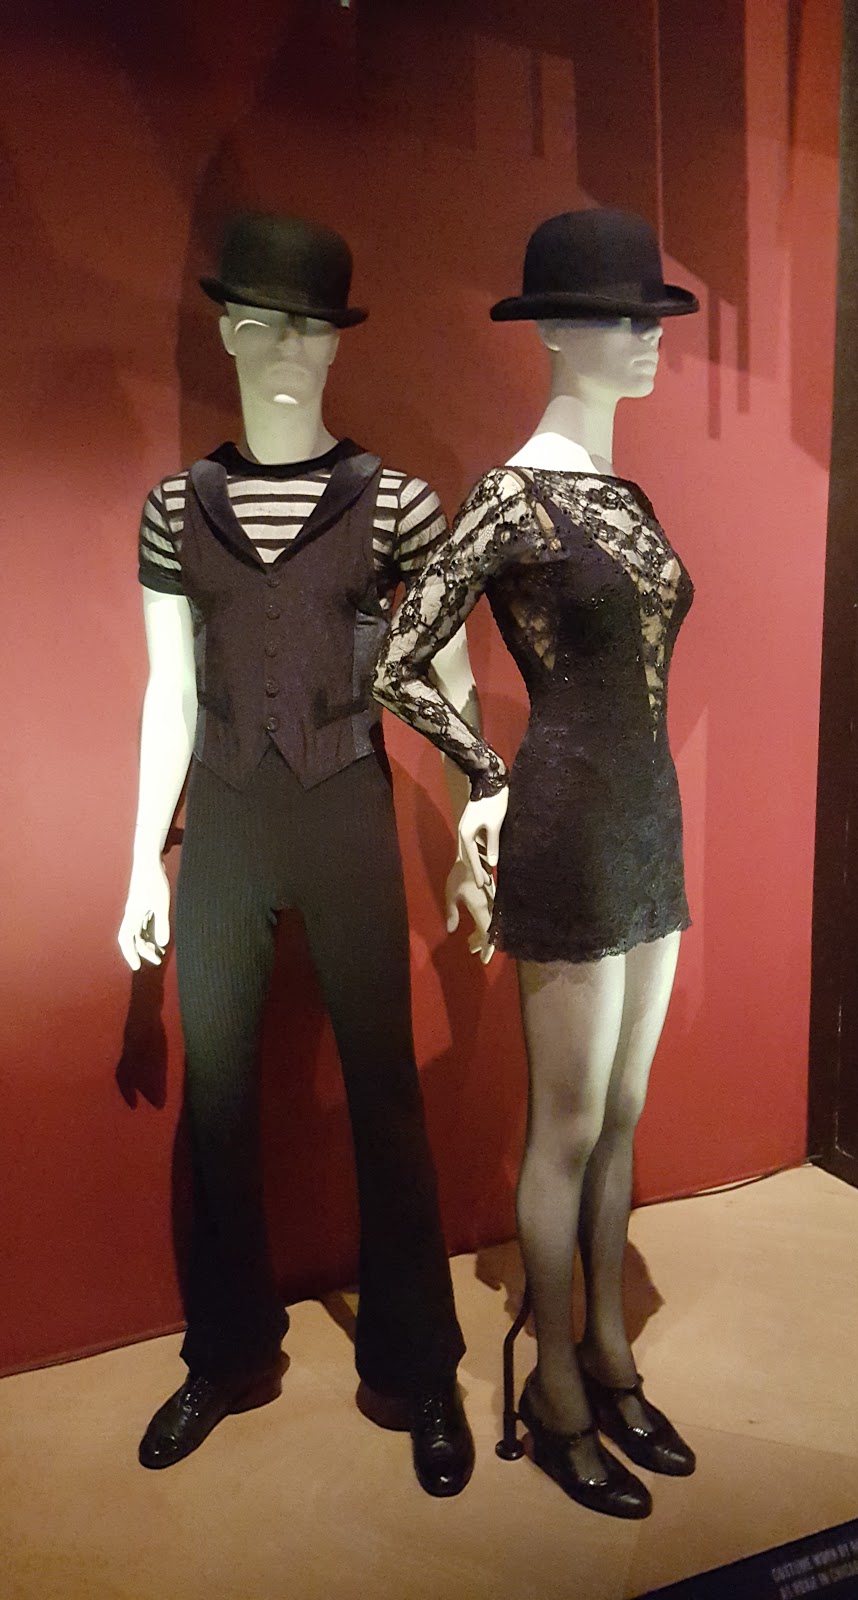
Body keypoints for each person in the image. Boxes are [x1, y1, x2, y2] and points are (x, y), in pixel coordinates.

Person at [118, 212, 483, 1495]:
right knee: (217, 1097)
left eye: (313, 328)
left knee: (385, 1093)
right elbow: (168, 695)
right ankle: (223, 1350)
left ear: (339, 342)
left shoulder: (400, 504)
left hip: (344, 809)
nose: (289, 350)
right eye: (264, 324)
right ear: (227, 332)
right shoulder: (175, 507)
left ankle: (420, 1363)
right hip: (223, 816)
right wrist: (138, 862)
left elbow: (447, 676)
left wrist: (477, 815)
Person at [375, 209, 700, 1515]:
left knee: (623, 1112)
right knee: (566, 1123)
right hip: (566, 822)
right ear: (562, 332)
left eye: (652, 318)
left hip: (650, 817)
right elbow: (402, 660)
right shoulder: (511, 497)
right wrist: (488, 776)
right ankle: (556, 1388)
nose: (650, 340)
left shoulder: (627, 495)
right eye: (628, 319)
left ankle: (611, 1353)